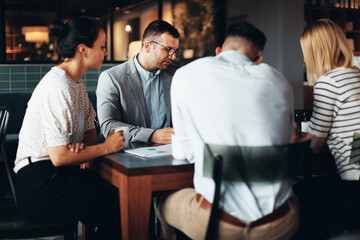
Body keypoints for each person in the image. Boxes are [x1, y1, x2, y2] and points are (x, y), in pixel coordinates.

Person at [157, 22, 299, 240]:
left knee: (163, 203)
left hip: (218, 224)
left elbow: (183, 153)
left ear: (218, 53)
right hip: (279, 223)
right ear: (259, 59)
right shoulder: (281, 82)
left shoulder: (186, 75)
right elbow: (287, 139)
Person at [14, 16, 124, 239]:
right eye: (102, 46)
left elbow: (89, 135)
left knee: (118, 196)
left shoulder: (77, 82)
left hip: (61, 173)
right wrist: (108, 147)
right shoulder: (58, 85)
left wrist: (80, 151)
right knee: (116, 206)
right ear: (83, 49)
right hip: (40, 182)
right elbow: (60, 157)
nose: (105, 52)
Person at [300, 19, 360, 233]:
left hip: (355, 177)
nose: (305, 58)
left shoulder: (328, 82)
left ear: (317, 51)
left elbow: (316, 143)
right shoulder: (356, 75)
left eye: (306, 51)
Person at [96, 20, 180, 144]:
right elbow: (108, 126)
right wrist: (152, 135)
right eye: (168, 49)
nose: (173, 57)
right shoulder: (111, 78)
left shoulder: (177, 74)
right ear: (148, 46)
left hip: (172, 150)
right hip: (129, 152)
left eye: (175, 51)